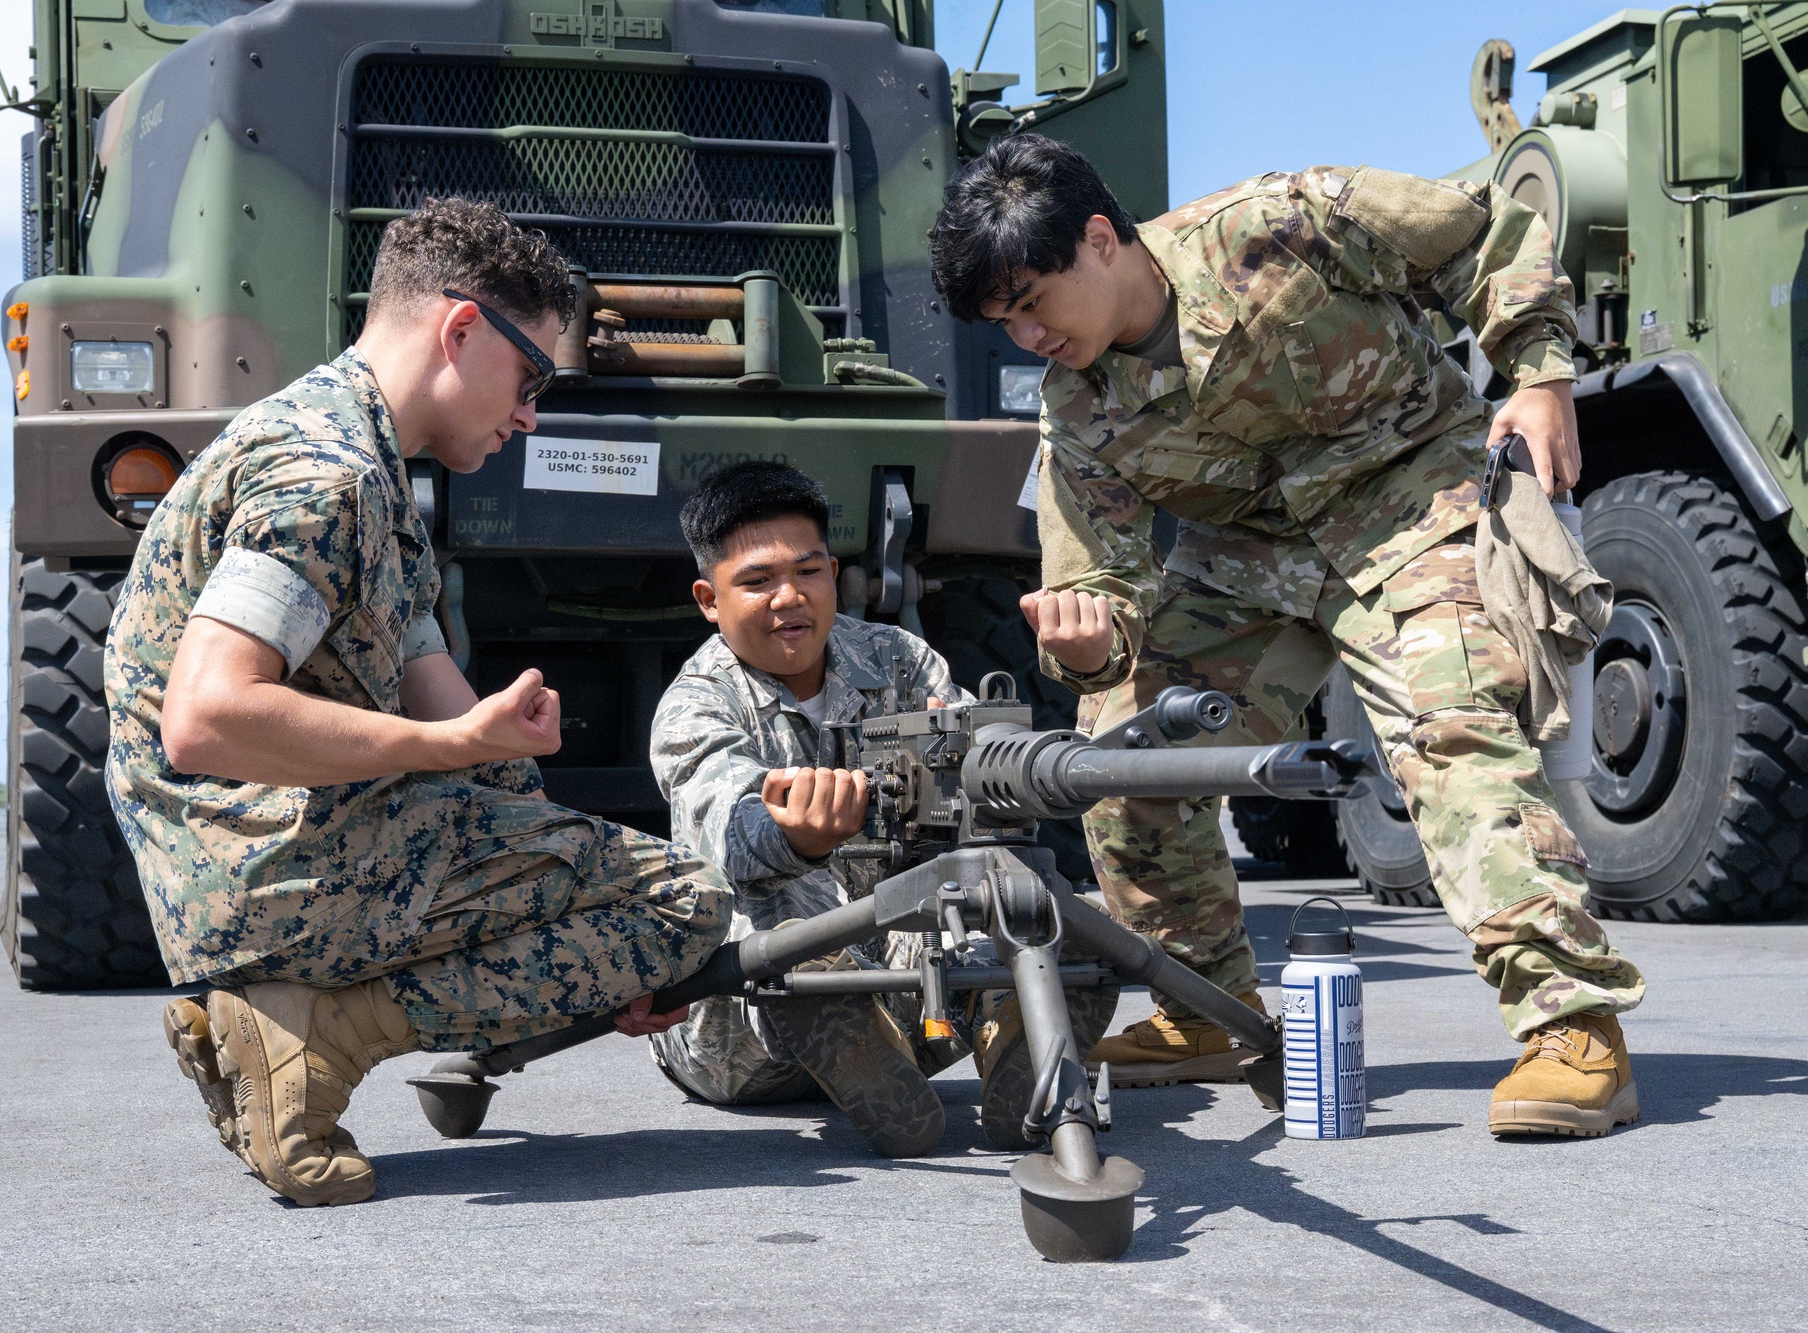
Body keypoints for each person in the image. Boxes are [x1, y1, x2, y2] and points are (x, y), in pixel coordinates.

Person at [929, 136, 1645, 1139]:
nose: (1026, 338)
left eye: (1031, 302)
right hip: (1244, 561)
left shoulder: (1286, 224)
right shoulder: (1076, 414)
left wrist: (1538, 371)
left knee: (1449, 729)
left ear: (1099, 239)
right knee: (1117, 752)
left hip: (1408, 498)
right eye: (1003, 324)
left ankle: (1572, 1023)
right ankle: (1205, 1011)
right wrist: (1090, 646)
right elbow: (1101, 582)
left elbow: (1483, 231)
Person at [104, 197, 732, 1207]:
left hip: (248, 855)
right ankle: (310, 1038)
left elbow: (463, 734)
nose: (530, 415)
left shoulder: (365, 466)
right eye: (529, 378)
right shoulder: (329, 477)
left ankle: (266, 1022)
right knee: (683, 900)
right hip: (256, 859)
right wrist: (446, 749)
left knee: (618, 888)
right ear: (460, 330)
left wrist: (588, 953)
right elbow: (207, 717)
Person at [647, 462, 1117, 1154]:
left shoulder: (896, 659)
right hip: (742, 1029)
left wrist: (1000, 763)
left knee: (1064, 917)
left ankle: (1016, 1054)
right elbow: (728, 826)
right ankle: (845, 1021)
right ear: (708, 598)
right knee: (788, 931)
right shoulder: (697, 704)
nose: (789, 598)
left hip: (907, 1002)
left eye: (808, 572)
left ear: (833, 573)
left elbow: (985, 773)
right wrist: (794, 835)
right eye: (756, 581)